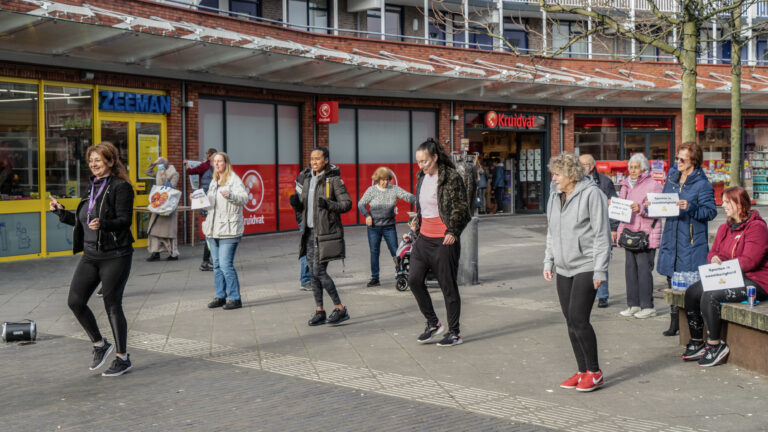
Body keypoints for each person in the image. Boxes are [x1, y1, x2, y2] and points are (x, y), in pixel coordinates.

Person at [49, 142, 135, 376]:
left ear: (110, 161)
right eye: (91, 160)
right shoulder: (93, 187)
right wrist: (60, 212)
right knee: (75, 301)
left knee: (112, 304)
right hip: (90, 255)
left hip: (116, 254)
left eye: (98, 160)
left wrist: (105, 224)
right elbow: (83, 222)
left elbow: (125, 221)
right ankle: (100, 344)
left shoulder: (121, 187)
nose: (93, 164)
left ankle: (123, 358)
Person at [543, 153, 610, 392]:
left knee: (579, 318)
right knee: (569, 320)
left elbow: (602, 234)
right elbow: (551, 231)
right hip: (563, 266)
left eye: (557, 174)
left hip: (586, 265)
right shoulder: (554, 196)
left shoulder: (593, 195)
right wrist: (548, 261)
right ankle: (582, 371)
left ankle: (595, 371)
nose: (554, 178)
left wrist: (600, 270)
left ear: (572, 175)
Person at [681, 187, 768, 367]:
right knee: (692, 292)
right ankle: (697, 341)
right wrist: (714, 259)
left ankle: (715, 345)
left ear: (740, 204)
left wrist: (725, 265)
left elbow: (751, 260)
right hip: (728, 275)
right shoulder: (724, 228)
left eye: (728, 202)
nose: (724, 205)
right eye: (723, 201)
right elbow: (714, 252)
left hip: (756, 281)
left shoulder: (757, 227)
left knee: (711, 294)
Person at [408, 138, 471, 347]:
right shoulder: (421, 177)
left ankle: (455, 333)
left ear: (435, 157)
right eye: (418, 162)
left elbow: (461, 207)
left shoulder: (451, 177)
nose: (421, 165)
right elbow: (424, 206)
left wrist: (453, 230)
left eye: (425, 161)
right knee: (414, 280)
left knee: (448, 287)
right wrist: (417, 220)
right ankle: (433, 323)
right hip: (424, 239)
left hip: (444, 239)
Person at [656, 142, 717, 336]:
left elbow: (710, 212)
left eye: (682, 159)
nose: (678, 162)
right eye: (676, 158)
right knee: (671, 280)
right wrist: (653, 203)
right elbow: (664, 201)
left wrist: (689, 206)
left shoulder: (702, 184)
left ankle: (693, 329)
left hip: (690, 242)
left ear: (694, 161)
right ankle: (674, 322)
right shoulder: (672, 178)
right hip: (671, 236)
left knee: (689, 288)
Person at [289, 147, 352, 326]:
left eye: (318, 159)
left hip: (325, 233)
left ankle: (340, 309)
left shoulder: (333, 180)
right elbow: (305, 207)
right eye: (312, 159)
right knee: (313, 273)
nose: (314, 162)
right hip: (309, 233)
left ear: (326, 160)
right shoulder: (308, 179)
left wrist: (328, 204)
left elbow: (347, 204)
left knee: (318, 271)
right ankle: (320, 311)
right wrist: (297, 205)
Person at [616, 154, 662, 319]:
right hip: (629, 232)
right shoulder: (625, 184)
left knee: (644, 271)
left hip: (645, 234)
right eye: (630, 167)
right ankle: (633, 304)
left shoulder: (654, 185)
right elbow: (622, 208)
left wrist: (641, 208)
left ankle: (648, 306)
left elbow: (658, 209)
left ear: (643, 168)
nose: (632, 170)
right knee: (630, 271)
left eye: (636, 167)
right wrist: (615, 206)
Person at [201, 152, 248, 310]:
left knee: (226, 265)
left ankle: (235, 298)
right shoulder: (214, 180)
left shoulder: (233, 179)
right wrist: (201, 203)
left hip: (229, 229)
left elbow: (244, 198)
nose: (217, 164)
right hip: (213, 230)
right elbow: (210, 205)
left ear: (226, 163)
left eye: (220, 161)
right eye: (215, 161)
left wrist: (231, 195)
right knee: (217, 266)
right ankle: (221, 296)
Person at [358, 166, 416, 287]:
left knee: (396, 251)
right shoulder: (371, 190)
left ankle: (400, 273)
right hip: (373, 227)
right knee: (374, 252)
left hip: (389, 226)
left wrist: (418, 200)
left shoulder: (394, 189)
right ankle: (375, 278)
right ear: (377, 180)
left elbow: (407, 196)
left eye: (387, 180)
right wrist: (367, 215)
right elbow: (361, 204)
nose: (385, 182)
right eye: (382, 180)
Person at [580, 154, 618, 308]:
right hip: (584, 230)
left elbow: (613, 206)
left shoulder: (604, 182)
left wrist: (614, 228)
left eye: (583, 164)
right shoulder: (576, 181)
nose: (580, 167)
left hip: (602, 227)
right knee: (584, 263)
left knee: (601, 262)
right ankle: (584, 294)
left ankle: (602, 295)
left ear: (591, 166)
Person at [187, 148, 218, 271]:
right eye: (217, 161)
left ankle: (208, 260)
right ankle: (206, 261)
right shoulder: (209, 171)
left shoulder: (211, 170)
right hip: (210, 207)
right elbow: (207, 190)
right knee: (212, 235)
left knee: (212, 234)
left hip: (211, 206)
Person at [145, 157, 180, 261]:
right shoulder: (157, 172)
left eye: (161, 165)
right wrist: (154, 163)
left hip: (168, 207)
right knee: (154, 230)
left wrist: (163, 174)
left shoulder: (174, 174)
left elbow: (170, 187)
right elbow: (147, 172)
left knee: (169, 232)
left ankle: (173, 253)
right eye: (159, 165)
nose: (160, 168)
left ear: (166, 165)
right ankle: (155, 252)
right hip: (158, 205)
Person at [294, 168, 312, 291]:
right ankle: (305, 280)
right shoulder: (304, 176)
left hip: (315, 219)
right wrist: (302, 219)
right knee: (306, 249)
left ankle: (310, 278)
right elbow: (299, 200)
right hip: (305, 219)